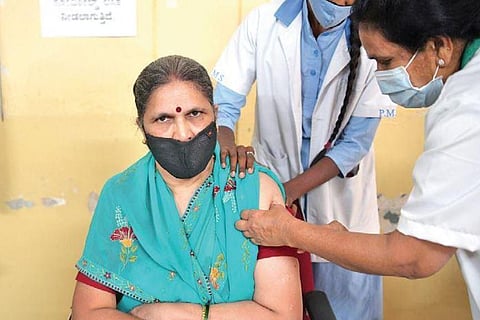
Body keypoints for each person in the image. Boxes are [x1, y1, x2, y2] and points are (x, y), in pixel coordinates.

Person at [236, 0, 480, 319]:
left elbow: (415, 256)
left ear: (439, 47)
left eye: (385, 61)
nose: (380, 77)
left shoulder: (467, 107)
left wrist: (289, 231)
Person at [70, 55, 303, 320]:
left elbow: (283, 315)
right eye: (162, 119)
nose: (183, 134)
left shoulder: (253, 189)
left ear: (215, 113)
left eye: (195, 114)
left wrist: (184, 315)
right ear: (141, 128)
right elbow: (88, 312)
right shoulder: (122, 193)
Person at [212, 0, 393, 318]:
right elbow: (223, 104)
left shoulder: (377, 34)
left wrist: (288, 190)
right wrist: (227, 146)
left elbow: (354, 143)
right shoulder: (263, 23)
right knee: (279, 301)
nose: (344, 4)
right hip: (273, 196)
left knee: (343, 305)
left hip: (339, 204)